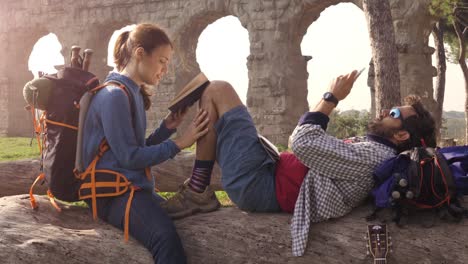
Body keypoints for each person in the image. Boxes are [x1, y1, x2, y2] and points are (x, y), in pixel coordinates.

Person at [161, 70, 436, 256]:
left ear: (401, 135)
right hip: (266, 170)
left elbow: (302, 142)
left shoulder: (376, 156)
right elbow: (309, 144)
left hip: (259, 184)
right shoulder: (376, 150)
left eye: (396, 112)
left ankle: (197, 189)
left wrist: (332, 97)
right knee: (212, 99)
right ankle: (196, 186)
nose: (388, 110)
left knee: (217, 90)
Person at [81, 23, 210, 264]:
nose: (165, 69)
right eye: (162, 61)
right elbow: (129, 158)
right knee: (165, 239)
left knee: (188, 217)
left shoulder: (130, 92)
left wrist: (167, 128)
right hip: (112, 194)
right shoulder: (115, 95)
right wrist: (181, 143)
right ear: (140, 53)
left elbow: (134, 149)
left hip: (127, 188)